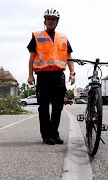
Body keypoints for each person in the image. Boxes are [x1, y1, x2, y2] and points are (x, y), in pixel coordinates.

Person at [26, 8, 75, 145]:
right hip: (43, 76)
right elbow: (31, 58)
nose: (50, 21)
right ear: (45, 21)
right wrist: (30, 75)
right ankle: (46, 136)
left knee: (58, 107)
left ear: (57, 22)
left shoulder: (63, 38)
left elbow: (69, 57)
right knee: (44, 107)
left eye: (53, 19)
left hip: (59, 76)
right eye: (48, 19)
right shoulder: (37, 36)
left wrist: (72, 73)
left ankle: (55, 133)